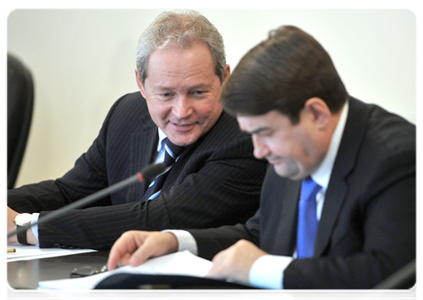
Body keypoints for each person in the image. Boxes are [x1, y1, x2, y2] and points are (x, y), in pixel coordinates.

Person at [107, 26, 420, 299]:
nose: (258, 151)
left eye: (264, 133)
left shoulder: (397, 159)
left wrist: (262, 268)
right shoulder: (294, 150)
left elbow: (389, 277)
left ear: (316, 114)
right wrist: (175, 241)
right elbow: (259, 236)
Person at [5, 10, 268, 249]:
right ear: (141, 84)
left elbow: (160, 218)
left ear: (224, 78)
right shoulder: (127, 113)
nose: (182, 111)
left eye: (198, 92)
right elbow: (70, 193)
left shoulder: (245, 136)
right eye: (165, 94)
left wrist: (24, 227)